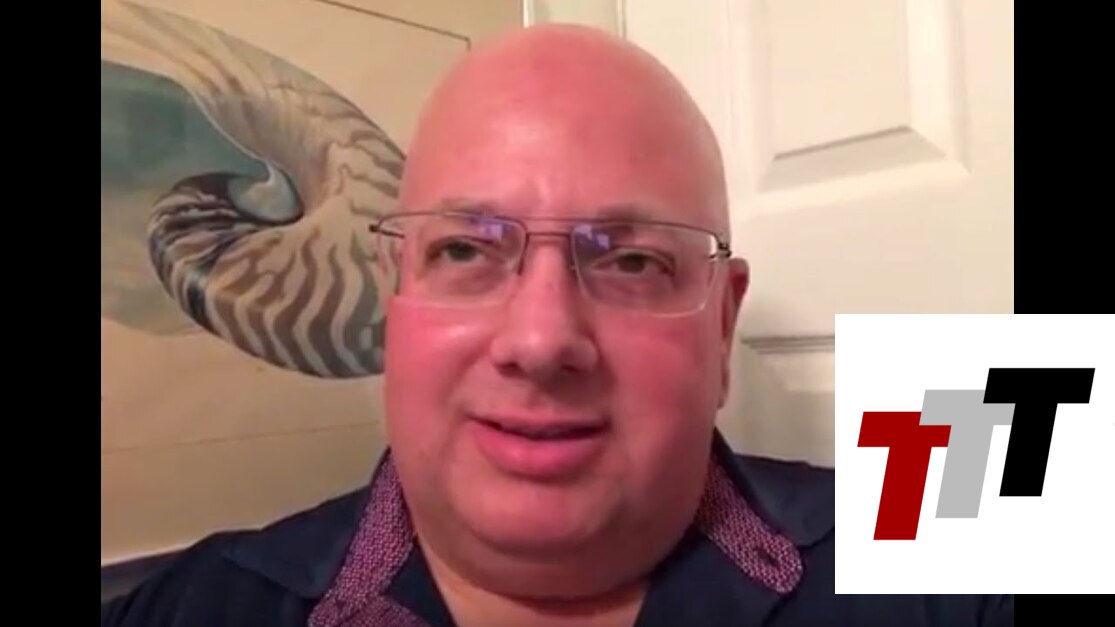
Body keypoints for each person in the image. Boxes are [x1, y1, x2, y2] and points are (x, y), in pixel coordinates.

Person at [101, 23, 1014, 627]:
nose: (539, 342)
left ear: (722, 326)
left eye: (631, 260)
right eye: (465, 249)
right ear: (393, 294)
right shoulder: (203, 603)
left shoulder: (939, 529)